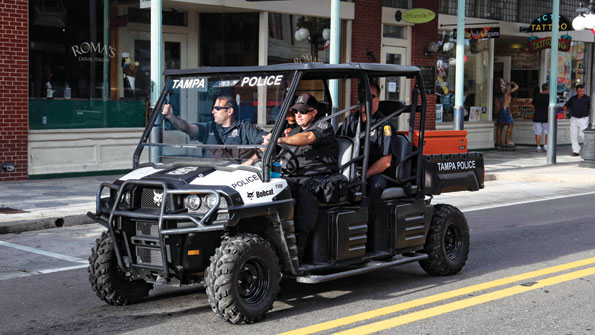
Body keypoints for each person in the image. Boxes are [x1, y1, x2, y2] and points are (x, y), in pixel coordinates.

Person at [268, 93, 339, 260]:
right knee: (273, 188)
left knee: (305, 196)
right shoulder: (293, 131)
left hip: (319, 178)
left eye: (303, 111)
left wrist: (281, 139)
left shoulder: (323, 126)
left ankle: (298, 253)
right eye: (296, 112)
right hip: (295, 177)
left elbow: (308, 138)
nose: (298, 115)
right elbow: (278, 153)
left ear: (314, 112)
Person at [337, 82, 396, 233]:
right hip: (351, 170)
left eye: (371, 97)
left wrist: (363, 177)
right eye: (362, 97)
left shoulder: (385, 125)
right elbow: (338, 146)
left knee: (373, 186)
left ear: (378, 100)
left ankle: (368, 231)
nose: (366, 100)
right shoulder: (350, 121)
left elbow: (386, 162)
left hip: (377, 173)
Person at [162, 95, 268, 160]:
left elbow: (268, 142)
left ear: (229, 111)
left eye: (217, 108)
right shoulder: (209, 128)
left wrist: (250, 161)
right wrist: (172, 117)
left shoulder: (245, 129)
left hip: (235, 180)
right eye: (213, 108)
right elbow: (187, 128)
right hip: (209, 176)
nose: (213, 112)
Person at [563, 84, 591, 156]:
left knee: (583, 134)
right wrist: (564, 113)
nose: (581, 92)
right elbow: (566, 105)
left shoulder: (588, 98)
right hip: (574, 118)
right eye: (579, 91)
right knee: (573, 134)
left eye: (582, 91)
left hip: (583, 118)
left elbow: (592, 108)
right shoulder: (573, 98)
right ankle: (575, 150)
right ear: (576, 91)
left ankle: (589, 148)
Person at [497, 79, 519, 148]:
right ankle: (508, 140)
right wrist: (513, 83)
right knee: (511, 124)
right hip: (506, 110)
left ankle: (499, 141)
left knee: (501, 125)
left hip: (502, 110)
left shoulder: (502, 94)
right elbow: (517, 87)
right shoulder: (507, 92)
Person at [531, 83, 550, 153]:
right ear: (547, 89)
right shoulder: (549, 97)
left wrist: (535, 112)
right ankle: (546, 145)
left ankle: (538, 146)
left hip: (537, 116)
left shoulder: (536, 96)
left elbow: (533, 107)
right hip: (546, 116)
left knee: (538, 132)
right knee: (547, 132)